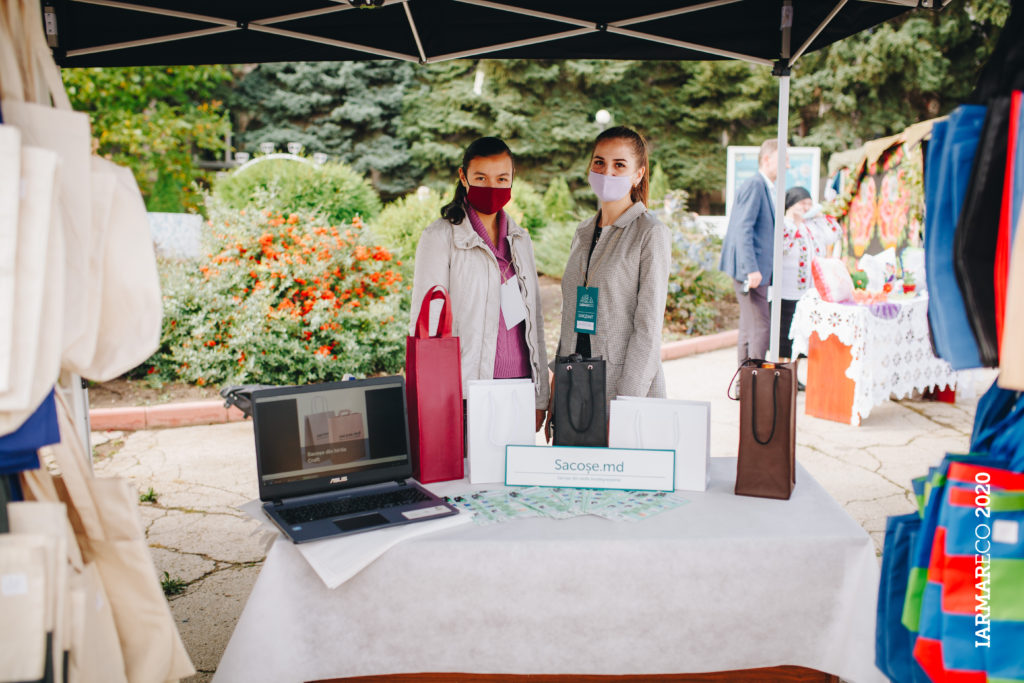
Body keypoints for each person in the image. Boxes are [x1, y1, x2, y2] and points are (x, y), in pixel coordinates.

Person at [410, 137, 548, 431]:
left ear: (513, 179)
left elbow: (534, 320)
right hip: (465, 392)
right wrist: (431, 398)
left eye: (502, 179)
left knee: (514, 477)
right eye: (481, 178)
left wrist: (540, 397)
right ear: (463, 177)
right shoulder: (441, 237)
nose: (492, 187)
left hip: (520, 387)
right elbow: (425, 324)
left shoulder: (520, 239)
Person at [548, 126, 671, 436]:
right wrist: (556, 385)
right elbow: (571, 318)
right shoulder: (584, 233)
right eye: (599, 162)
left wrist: (625, 406)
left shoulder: (650, 233)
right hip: (576, 384)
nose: (607, 172)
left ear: (638, 174)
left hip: (624, 390)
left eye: (619, 165)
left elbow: (648, 330)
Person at [719, 139, 782, 363]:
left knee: (749, 327)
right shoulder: (756, 185)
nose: (787, 166)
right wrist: (751, 269)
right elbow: (742, 229)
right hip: (752, 270)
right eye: (782, 160)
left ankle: (744, 384)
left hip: (753, 269)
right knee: (760, 327)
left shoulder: (761, 186)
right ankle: (754, 383)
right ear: (767, 160)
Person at [779, 185, 843, 362]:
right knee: (784, 338)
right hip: (787, 290)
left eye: (809, 204)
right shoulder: (784, 224)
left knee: (802, 338)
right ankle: (782, 373)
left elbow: (835, 234)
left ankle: (794, 373)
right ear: (791, 204)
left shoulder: (813, 225)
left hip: (810, 292)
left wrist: (821, 216)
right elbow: (782, 247)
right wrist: (795, 221)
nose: (806, 208)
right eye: (802, 203)